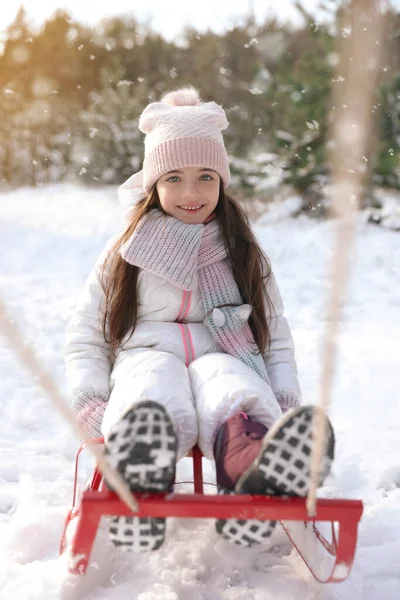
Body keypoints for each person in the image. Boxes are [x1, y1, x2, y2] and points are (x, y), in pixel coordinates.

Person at [65, 86, 334, 553]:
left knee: (232, 389)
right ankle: (140, 466)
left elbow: (275, 338)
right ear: (152, 184)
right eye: (173, 177)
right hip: (146, 354)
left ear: (222, 181)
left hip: (223, 351)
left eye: (206, 176)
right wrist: (91, 399)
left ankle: (252, 467)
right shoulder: (127, 252)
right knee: (151, 385)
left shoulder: (242, 253)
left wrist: (284, 394)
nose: (191, 193)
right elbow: (86, 335)